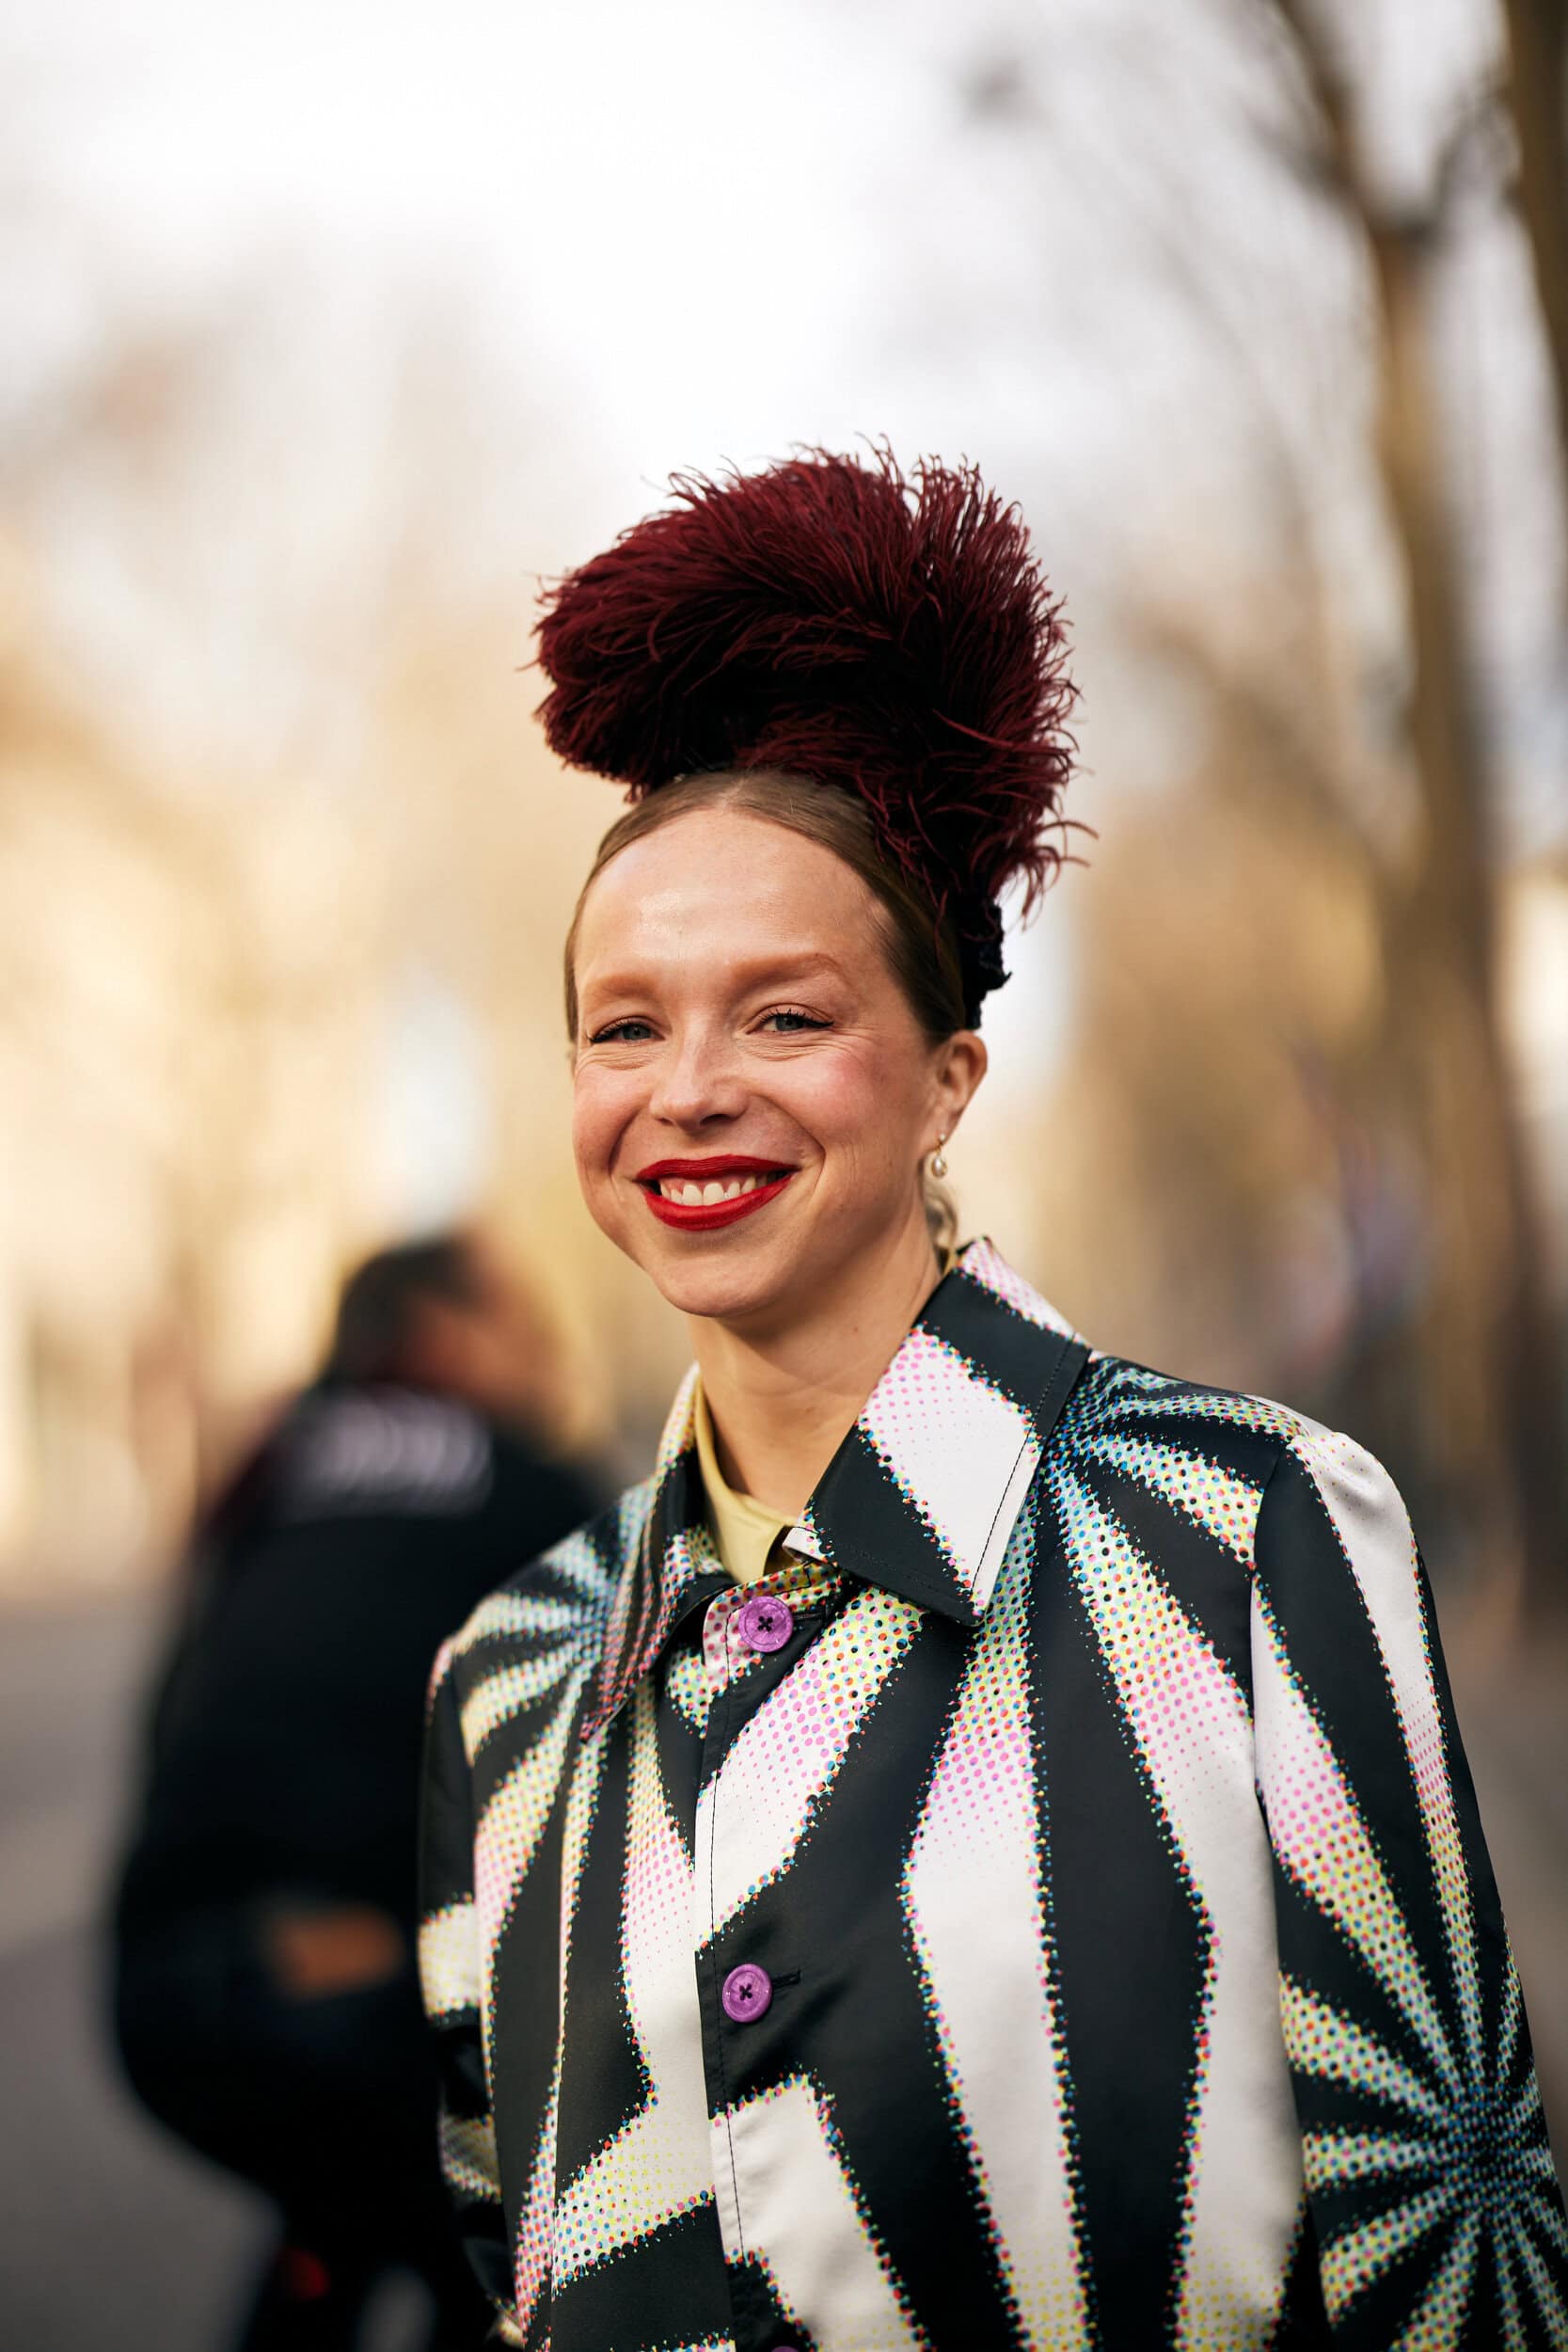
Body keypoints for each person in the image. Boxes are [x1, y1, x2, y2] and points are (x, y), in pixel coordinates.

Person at [417, 452, 1568, 2350]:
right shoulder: (507, 1668)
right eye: (623, 1022)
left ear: (946, 1073)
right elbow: (502, 2254)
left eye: (780, 1013)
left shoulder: (1252, 1532)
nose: (686, 1085)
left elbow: (1453, 2252)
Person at [114, 1233, 598, 2352]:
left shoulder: (266, 1467)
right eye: (519, 1324)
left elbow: (176, 1709)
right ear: (439, 1336)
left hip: (153, 1994)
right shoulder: (524, 1477)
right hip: (356, 1987)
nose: (543, 1354)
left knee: (348, 2200)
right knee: (518, 2259)